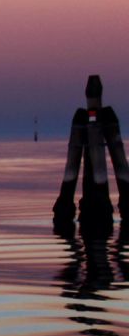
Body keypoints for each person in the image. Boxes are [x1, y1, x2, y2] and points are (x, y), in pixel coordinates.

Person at [53, 75, 129, 230]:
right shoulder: (105, 117)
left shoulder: (84, 118)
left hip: (93, 211)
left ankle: (66, 210)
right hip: (99, 211)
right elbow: (120, 164)